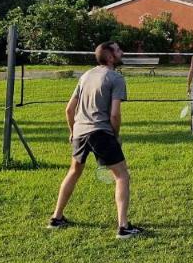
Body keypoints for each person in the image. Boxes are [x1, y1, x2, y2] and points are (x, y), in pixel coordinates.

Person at [49, 40, 143, 239]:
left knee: (73, 172)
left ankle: (56, 218)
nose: (122, 52)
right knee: (122, 176)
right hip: (101, 132)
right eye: (118, 50)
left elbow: (69, 110)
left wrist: (73, 131)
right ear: (110, 57)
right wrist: (115, 137)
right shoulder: (115, 78)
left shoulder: (86, 75)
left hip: (81, 131)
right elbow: (115, 115)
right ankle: (124, 228)